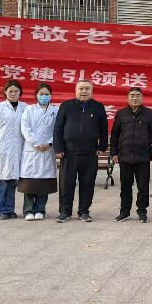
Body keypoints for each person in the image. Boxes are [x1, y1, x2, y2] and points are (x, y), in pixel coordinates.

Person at [53, 79, 108, 223]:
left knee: (87, 183)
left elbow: (104, 129)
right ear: (76, 90)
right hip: (69, 152)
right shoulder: (66, 106)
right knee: (66, 183)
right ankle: (65, 211)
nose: (84, 91)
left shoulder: (98, 107)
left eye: (87, 89)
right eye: (81, 88)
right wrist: (58, 148)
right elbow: (58, 128)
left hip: (90, 153)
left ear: (92, 91)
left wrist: (102, 147)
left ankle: (84, 211)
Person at [110, 87, 152, 224]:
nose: (134, 98)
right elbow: (115, 134)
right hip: (124, 156)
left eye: (137, 95)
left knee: (143, 186)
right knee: (125, 186)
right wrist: (114, 152)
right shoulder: (121, 114)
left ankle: (142, 211)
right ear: (128, 98)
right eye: (132, 95)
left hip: (143, 156)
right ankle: (124, 212)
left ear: (142, 98)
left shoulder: (149, 114)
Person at [0, 80, 27, 220]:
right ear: (5, 92)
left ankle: (9, 209)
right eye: (10, 91)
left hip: (18, 149)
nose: (13, 94)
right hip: (1, 148)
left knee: (12, 180)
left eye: (16, 91)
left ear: (20, 92)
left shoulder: (26, 108)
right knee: (0, 180)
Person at [19, 83, 59, 221]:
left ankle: (40, 209)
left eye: (47, 94)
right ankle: (28, 210)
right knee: (29, 183)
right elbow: (25, 128)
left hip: (48, 149)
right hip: (32, 149)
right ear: (36, 95)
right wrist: (36, 143)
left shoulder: (55, 111)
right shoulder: (29, 110)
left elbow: (58, 129)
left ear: (51, 95)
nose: (44, 96)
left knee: (44, 182)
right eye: (41, 94)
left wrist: (49, 143)